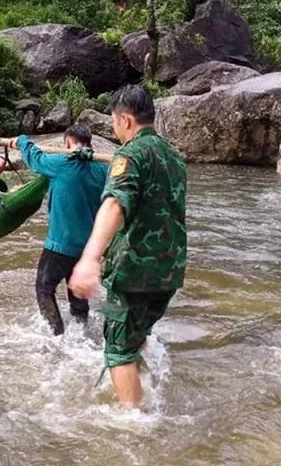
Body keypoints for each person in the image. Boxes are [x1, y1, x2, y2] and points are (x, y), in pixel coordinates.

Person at [69, 85, 187, 408]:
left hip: (136, 271)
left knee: (118, 348)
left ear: (126, 120)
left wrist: (90, 258)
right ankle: (144, 387)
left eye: (114, 122)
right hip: (170, 273)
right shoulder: (175, 157)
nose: (114, 128)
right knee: (137, 333)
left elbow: (113, 205)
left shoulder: (130, 154)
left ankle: (134, 424)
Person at [9, 124, 108, 335]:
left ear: (67, 143)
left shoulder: (61, 164)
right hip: (87, 248)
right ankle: (82, 329)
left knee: (44, 288)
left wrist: (22, 140)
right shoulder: (102, 171)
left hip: (60, 245)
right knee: (78, 290)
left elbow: (35, 159)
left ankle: (57, 334)